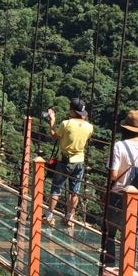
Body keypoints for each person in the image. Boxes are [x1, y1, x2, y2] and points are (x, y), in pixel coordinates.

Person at [104, 109, 138, 267]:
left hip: (117, 195)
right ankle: (128, 269)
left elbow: (113, 174)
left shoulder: (119, 146)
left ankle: (110, 266)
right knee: (132, 235)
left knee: (110, 233)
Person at [43, 98, 94, 229]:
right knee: (74, 191)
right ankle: (70, 217)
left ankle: (49, 216)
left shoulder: (66, 123)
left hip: (64, 161)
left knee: (56, 188)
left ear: (71, 110)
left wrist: (52, 121)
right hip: (80, 162)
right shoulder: (89, 127)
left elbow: (54, 135)